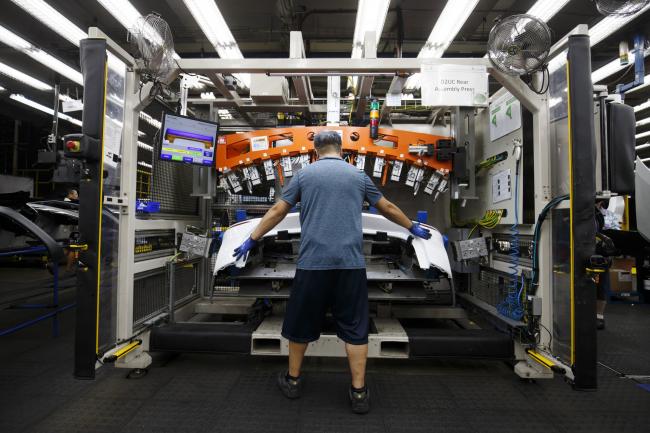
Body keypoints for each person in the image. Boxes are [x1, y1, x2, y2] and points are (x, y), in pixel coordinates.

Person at [232, 131, 432, 414]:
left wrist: (252, 238)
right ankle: (359, 392)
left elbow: (278, 210)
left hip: (312, 265)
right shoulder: (358, 176)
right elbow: (385, 206)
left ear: (315, 152)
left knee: (300, 325)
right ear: (341, 149)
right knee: (355, 328)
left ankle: (293, 380)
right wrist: (411, 226)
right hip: (350, 265)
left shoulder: (304, 176)